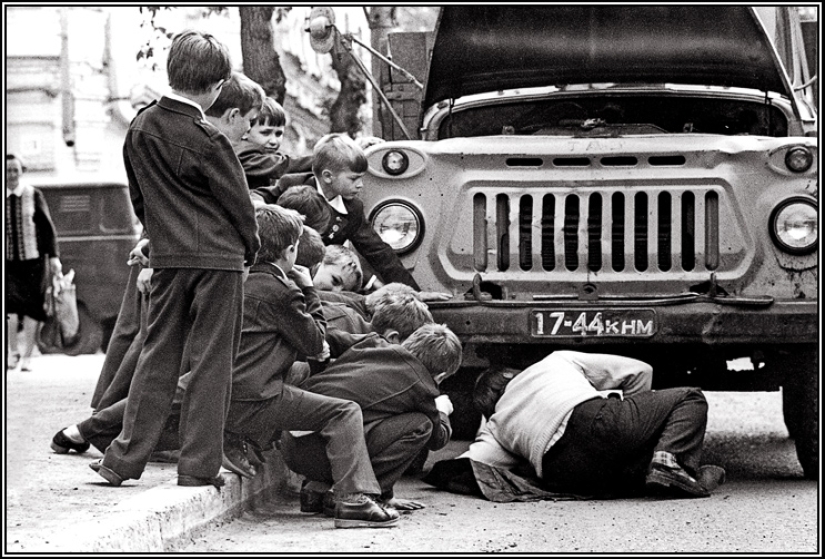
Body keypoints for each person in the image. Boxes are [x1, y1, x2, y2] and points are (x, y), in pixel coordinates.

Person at [52, 71, 265, 460]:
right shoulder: (210, 140)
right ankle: (199, 466)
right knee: (210, 365)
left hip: (167, 257)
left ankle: (121, 459)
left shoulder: (140, 127)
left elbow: (140, 196)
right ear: (215, 87)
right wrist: (250, 249)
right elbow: (240, 208)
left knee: (156, 359)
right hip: (218, 261)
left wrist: (157, 238)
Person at [222, 204, 399, 529]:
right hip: (254, 399)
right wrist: (307, 290)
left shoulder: (236, 282)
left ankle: (99, 434)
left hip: (221, 391)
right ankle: (353, 499)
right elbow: (316, 344)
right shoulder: (284, 291)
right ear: (291, 250)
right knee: (344, 412)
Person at [426, 351, 725, 501]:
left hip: (565, 473)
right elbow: (640, 371)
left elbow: (473, 464)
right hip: (595, 419)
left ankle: (671, 471)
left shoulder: (496, 425)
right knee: (691, 397)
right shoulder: (553, 362)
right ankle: (670, 460)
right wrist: (638, 432)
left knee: (628, 476)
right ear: (508, 375)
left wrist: (432, 467)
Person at [281, 314, 463, 513]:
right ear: (441, 375)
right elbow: (438, 440)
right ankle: (366, 494)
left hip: (288, 442)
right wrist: (442, 410)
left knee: (363, 416)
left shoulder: (373, 342)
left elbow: (330, 337)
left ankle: (316, 489)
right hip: (318, 453)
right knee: (422, 425)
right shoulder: (422, 388)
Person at [252, 133, 421, 290]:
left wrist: (411, 291)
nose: (360, 185)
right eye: (353, 178)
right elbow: (258, 196)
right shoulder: (293, 185)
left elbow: (379, 251)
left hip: (321, 281)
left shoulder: (352, 209)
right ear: (327, 176)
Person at [6, 153, 62, 372]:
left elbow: (47, 229)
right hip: (8, 264)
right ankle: (12, 353)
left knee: (32, 308)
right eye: (7, 170)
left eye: (15, 170)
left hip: (34, 263)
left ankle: (28, 356)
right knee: (9, 308)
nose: (11, 174)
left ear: (22, 171)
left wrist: (54, 257)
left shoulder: (33, 195)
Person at [233, 97, 313, 189]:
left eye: (278, 134)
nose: (273, 141)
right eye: (265, 133)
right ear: (246, 130)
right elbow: (283, 166)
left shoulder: (262, 154)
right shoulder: (243, 155)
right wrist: (321, 161)